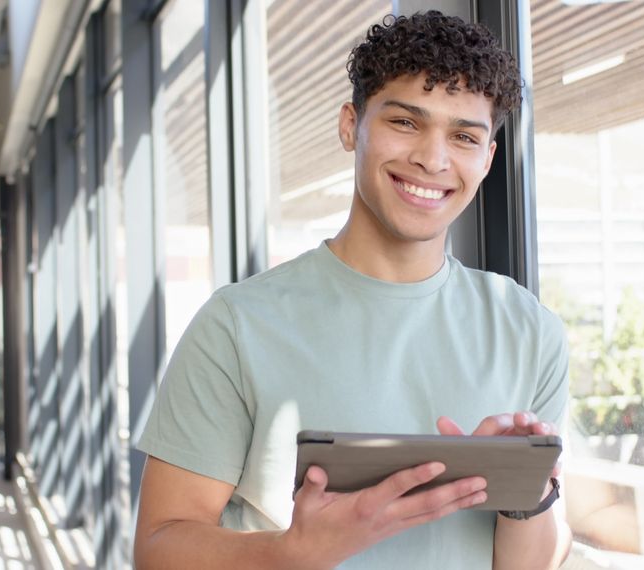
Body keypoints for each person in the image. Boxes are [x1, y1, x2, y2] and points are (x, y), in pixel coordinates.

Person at [134, 10, 572, 569]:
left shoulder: (529, 330)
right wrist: (290, 554)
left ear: (487, 158)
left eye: (464, 136)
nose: (432, 159)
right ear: (350, 126)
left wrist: (525, 494)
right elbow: (156, 549)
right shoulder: (236, 325)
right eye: (405, 122)